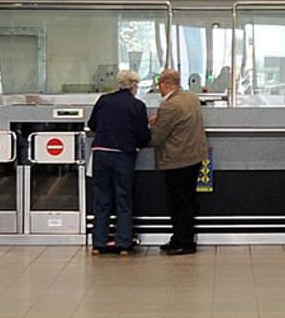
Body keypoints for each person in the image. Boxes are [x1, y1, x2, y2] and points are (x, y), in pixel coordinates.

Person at [87, 68, 150, 256]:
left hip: (101, 154)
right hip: (123, 155)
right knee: (123, 198)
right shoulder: (137, 106)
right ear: (133, 85)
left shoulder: (104, 100)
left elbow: (92, 124)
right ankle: (123, 243)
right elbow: (143, 136)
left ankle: (98, 243)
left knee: (101, 199)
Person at [149, 68, 208, 256]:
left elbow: (156, 138)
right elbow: (181, 121)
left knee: (178, 203)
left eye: (159, 85)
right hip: (194, 156)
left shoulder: (169, 106)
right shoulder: (191, 97)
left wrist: (152, 126)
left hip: (177, 160)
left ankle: (184, 241)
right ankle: (181, 237)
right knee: (187, 201)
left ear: (164, 84)